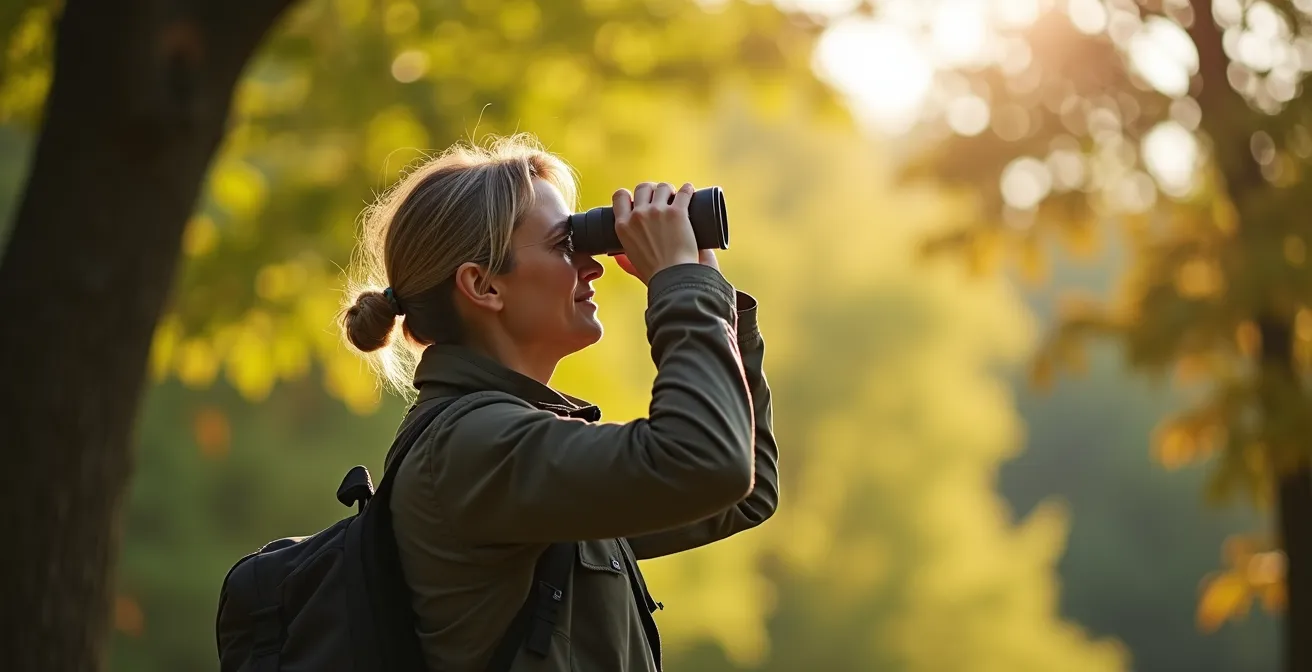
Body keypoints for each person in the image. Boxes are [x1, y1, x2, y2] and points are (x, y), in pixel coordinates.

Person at [339, 134, 779, 672]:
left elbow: (742, 488)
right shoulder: (469, 449)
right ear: (483, 285)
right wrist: (678, 282)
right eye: (563, 244)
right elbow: (707, 462)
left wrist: (707, 287)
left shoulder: (506, 444)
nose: (592, 266)